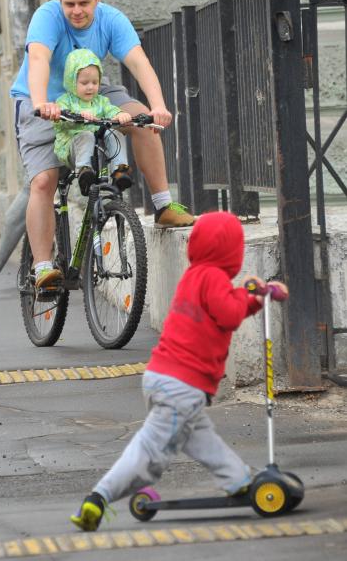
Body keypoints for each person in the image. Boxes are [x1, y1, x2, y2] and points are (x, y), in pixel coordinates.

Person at [70, 211, 288, 532]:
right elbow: (229, 313)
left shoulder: (196, 275)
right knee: (150, 449)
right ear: (231, 251)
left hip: (166, 378)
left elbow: (225, 307)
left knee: (200, 438)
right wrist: (253, 295)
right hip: (182, 385)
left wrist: (253, 297)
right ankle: (99, 497)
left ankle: (239, 480)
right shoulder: (214, 278)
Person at [11, 0, 194, 290]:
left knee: (142, 120)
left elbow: (139, 62)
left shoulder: (111, 19)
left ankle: (164, 205)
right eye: (69, 4)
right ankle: (42, 269)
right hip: (43, 101)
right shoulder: (47, 17)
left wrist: (158, 106)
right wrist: (42, 103)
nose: (76, 11)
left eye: (83, 3)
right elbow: (38, 59)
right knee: (44, 181)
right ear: (60, 0)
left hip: (90, 93)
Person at [53, 48, 133, 197]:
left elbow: (110, 109)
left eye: (95, 82)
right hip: (72, 148)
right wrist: (76, 116)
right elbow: (59, 120)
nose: (90, 87)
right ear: (72, 81)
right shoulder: (65, 101)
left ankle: (120, 170)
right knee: (86, 135)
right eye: (84, 83)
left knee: (114, 132)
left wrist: (120, 115)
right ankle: (84, 172)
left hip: (98, 144)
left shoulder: (101, 101)